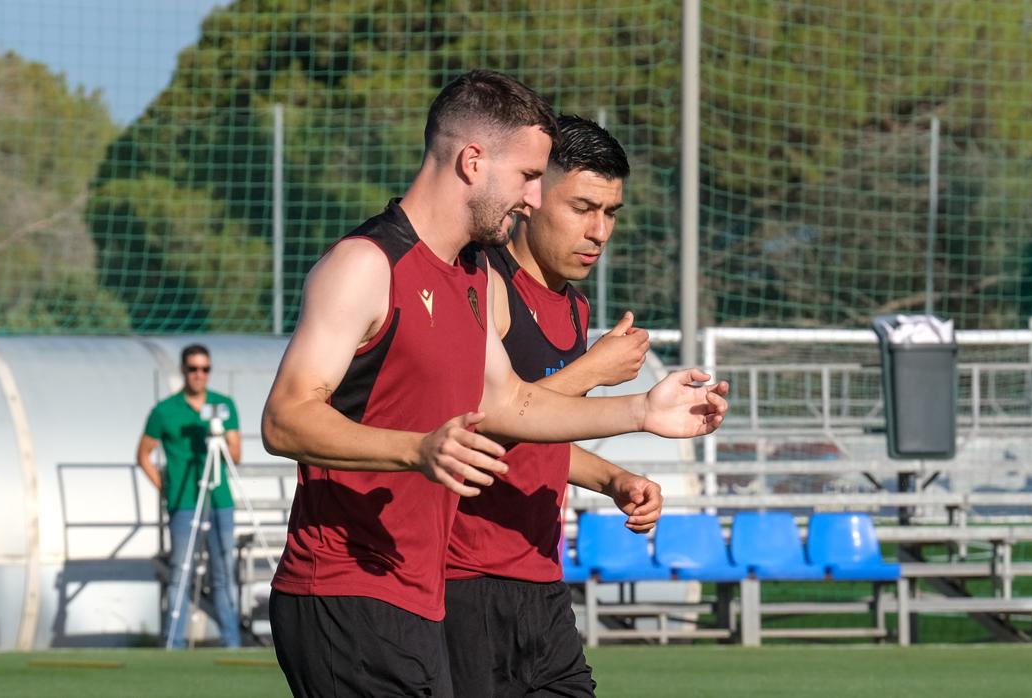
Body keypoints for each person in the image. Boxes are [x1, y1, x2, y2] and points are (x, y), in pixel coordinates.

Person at [261, 70, 728, 697]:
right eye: (530, 177)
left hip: (417, 596)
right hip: (344, 587)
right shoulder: (366, 263)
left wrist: (643, 409)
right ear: (473, 161)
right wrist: (415, 448)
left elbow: (510, 402)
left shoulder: (473, 276)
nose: (534, 199)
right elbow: (284, 418)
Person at [444, 115, 654, 697]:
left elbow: (539, 434)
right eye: (583, 207)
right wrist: (593, 372)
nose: (599, 231)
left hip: (542, 579)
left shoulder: (575, 308)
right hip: (465, 582)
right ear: (532, 198)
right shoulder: (482, 281)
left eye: (610, 213)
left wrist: (612, 478)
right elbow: (484, 429)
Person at [136, 343, 242, 649]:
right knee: (181, 574)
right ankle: (174, 643)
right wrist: (166, 488)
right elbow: (143, 454)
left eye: (205, 369)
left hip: (219, 502)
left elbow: (236, 455)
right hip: (184, 503)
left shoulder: (224, 405)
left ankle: (232, 643)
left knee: (223, 575)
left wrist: (219, 437)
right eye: (193, 369)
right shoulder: (164, 411)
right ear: (183, 370)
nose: (199, 375)